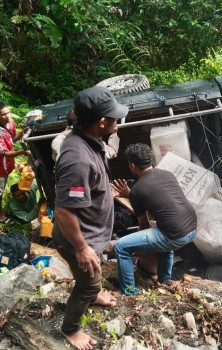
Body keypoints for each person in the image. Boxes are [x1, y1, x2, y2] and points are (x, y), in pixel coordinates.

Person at [52, 86, 128, 350]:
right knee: (86, 284)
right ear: (102, 122)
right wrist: (83, 248)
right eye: (115, 118)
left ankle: (92, 295)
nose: (118, 123)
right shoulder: (78, 159)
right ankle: (70, 328)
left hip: (89, 233)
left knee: (87, 283)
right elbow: (63, 209)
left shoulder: (90, 140)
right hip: (79, 240)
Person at [112, 143, 197, 295]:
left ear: (132, 165)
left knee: (121, 247)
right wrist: (130, 195)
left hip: (175, 234)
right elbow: (157, 195)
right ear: (150, 160)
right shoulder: (167, 174)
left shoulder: (137, 190)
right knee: (165, 243)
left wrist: (140, 248)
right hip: (191, 227)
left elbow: (144, 225)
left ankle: (130, 293)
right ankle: (164, 282)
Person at [0, 102, 31, 223]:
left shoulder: (10, 122)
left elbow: (12, 138)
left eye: (8, 112)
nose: (7, 116)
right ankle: (1, 215)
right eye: (3, 114)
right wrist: (22, 152)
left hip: (7, 165)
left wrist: (23, 131)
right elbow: (5, 153)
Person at [52, 110, 120, 161]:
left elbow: (55, 157)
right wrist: (114, 134)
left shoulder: (57, 140)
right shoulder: (88, 137)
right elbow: (111, 153)